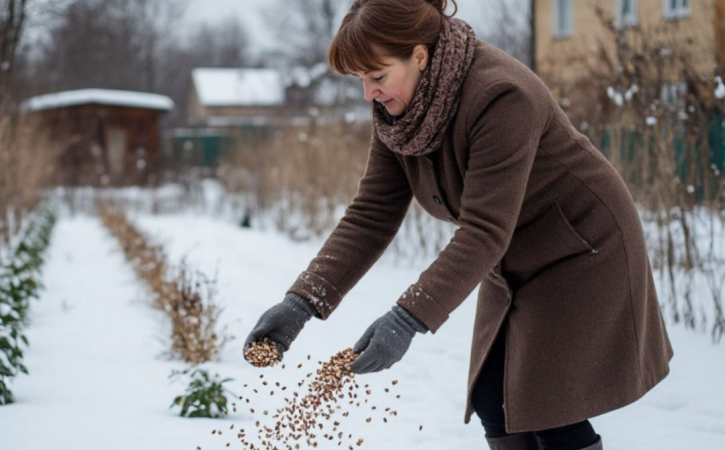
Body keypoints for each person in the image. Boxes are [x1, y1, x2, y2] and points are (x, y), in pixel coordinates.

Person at [243, 1, 673, 449]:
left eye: (377, 76)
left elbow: (484, 229)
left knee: (549, 406)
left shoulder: (503, 96)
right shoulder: (400, 115)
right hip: (508, 253)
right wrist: (301, 302)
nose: (369, 94)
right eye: (360, 80)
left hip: (579, 246)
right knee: (494, 399)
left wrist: (405, 319)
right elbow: (371, 214)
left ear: (419, 56)